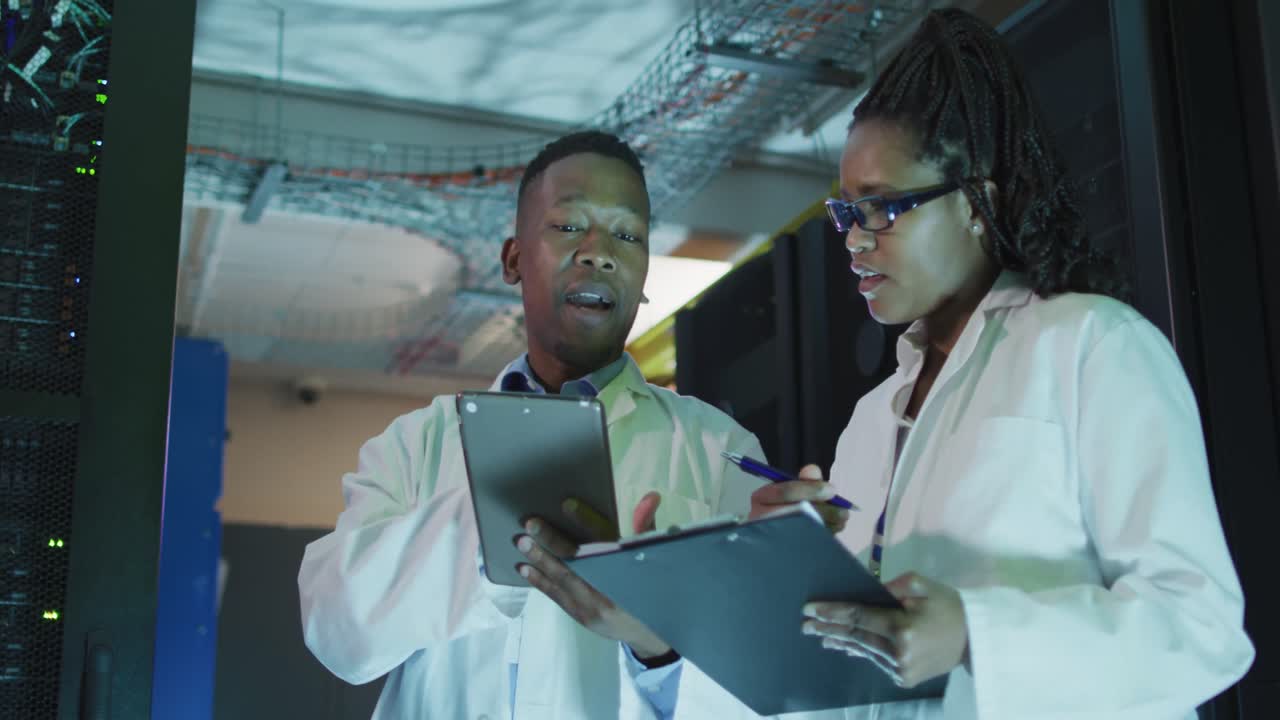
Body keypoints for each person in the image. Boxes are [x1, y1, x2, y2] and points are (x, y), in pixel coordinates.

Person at [698, 8, 1254, 720]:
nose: (854, 242)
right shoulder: (870, 422)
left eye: (884, 209)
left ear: (976, 204)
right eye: (846, 214)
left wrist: (973, 635)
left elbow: (1201, 630)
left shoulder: (1094, 346)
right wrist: (797, 558)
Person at [297, 130, 848, 720]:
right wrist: (483, 530)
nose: (599, 251)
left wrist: (658, 646)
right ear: (513, 259)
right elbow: (339, 637)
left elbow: (756, 689)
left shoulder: (718, 450)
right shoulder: (418, 443)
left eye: (628, 235)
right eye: (567, 226)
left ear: (642, 278)